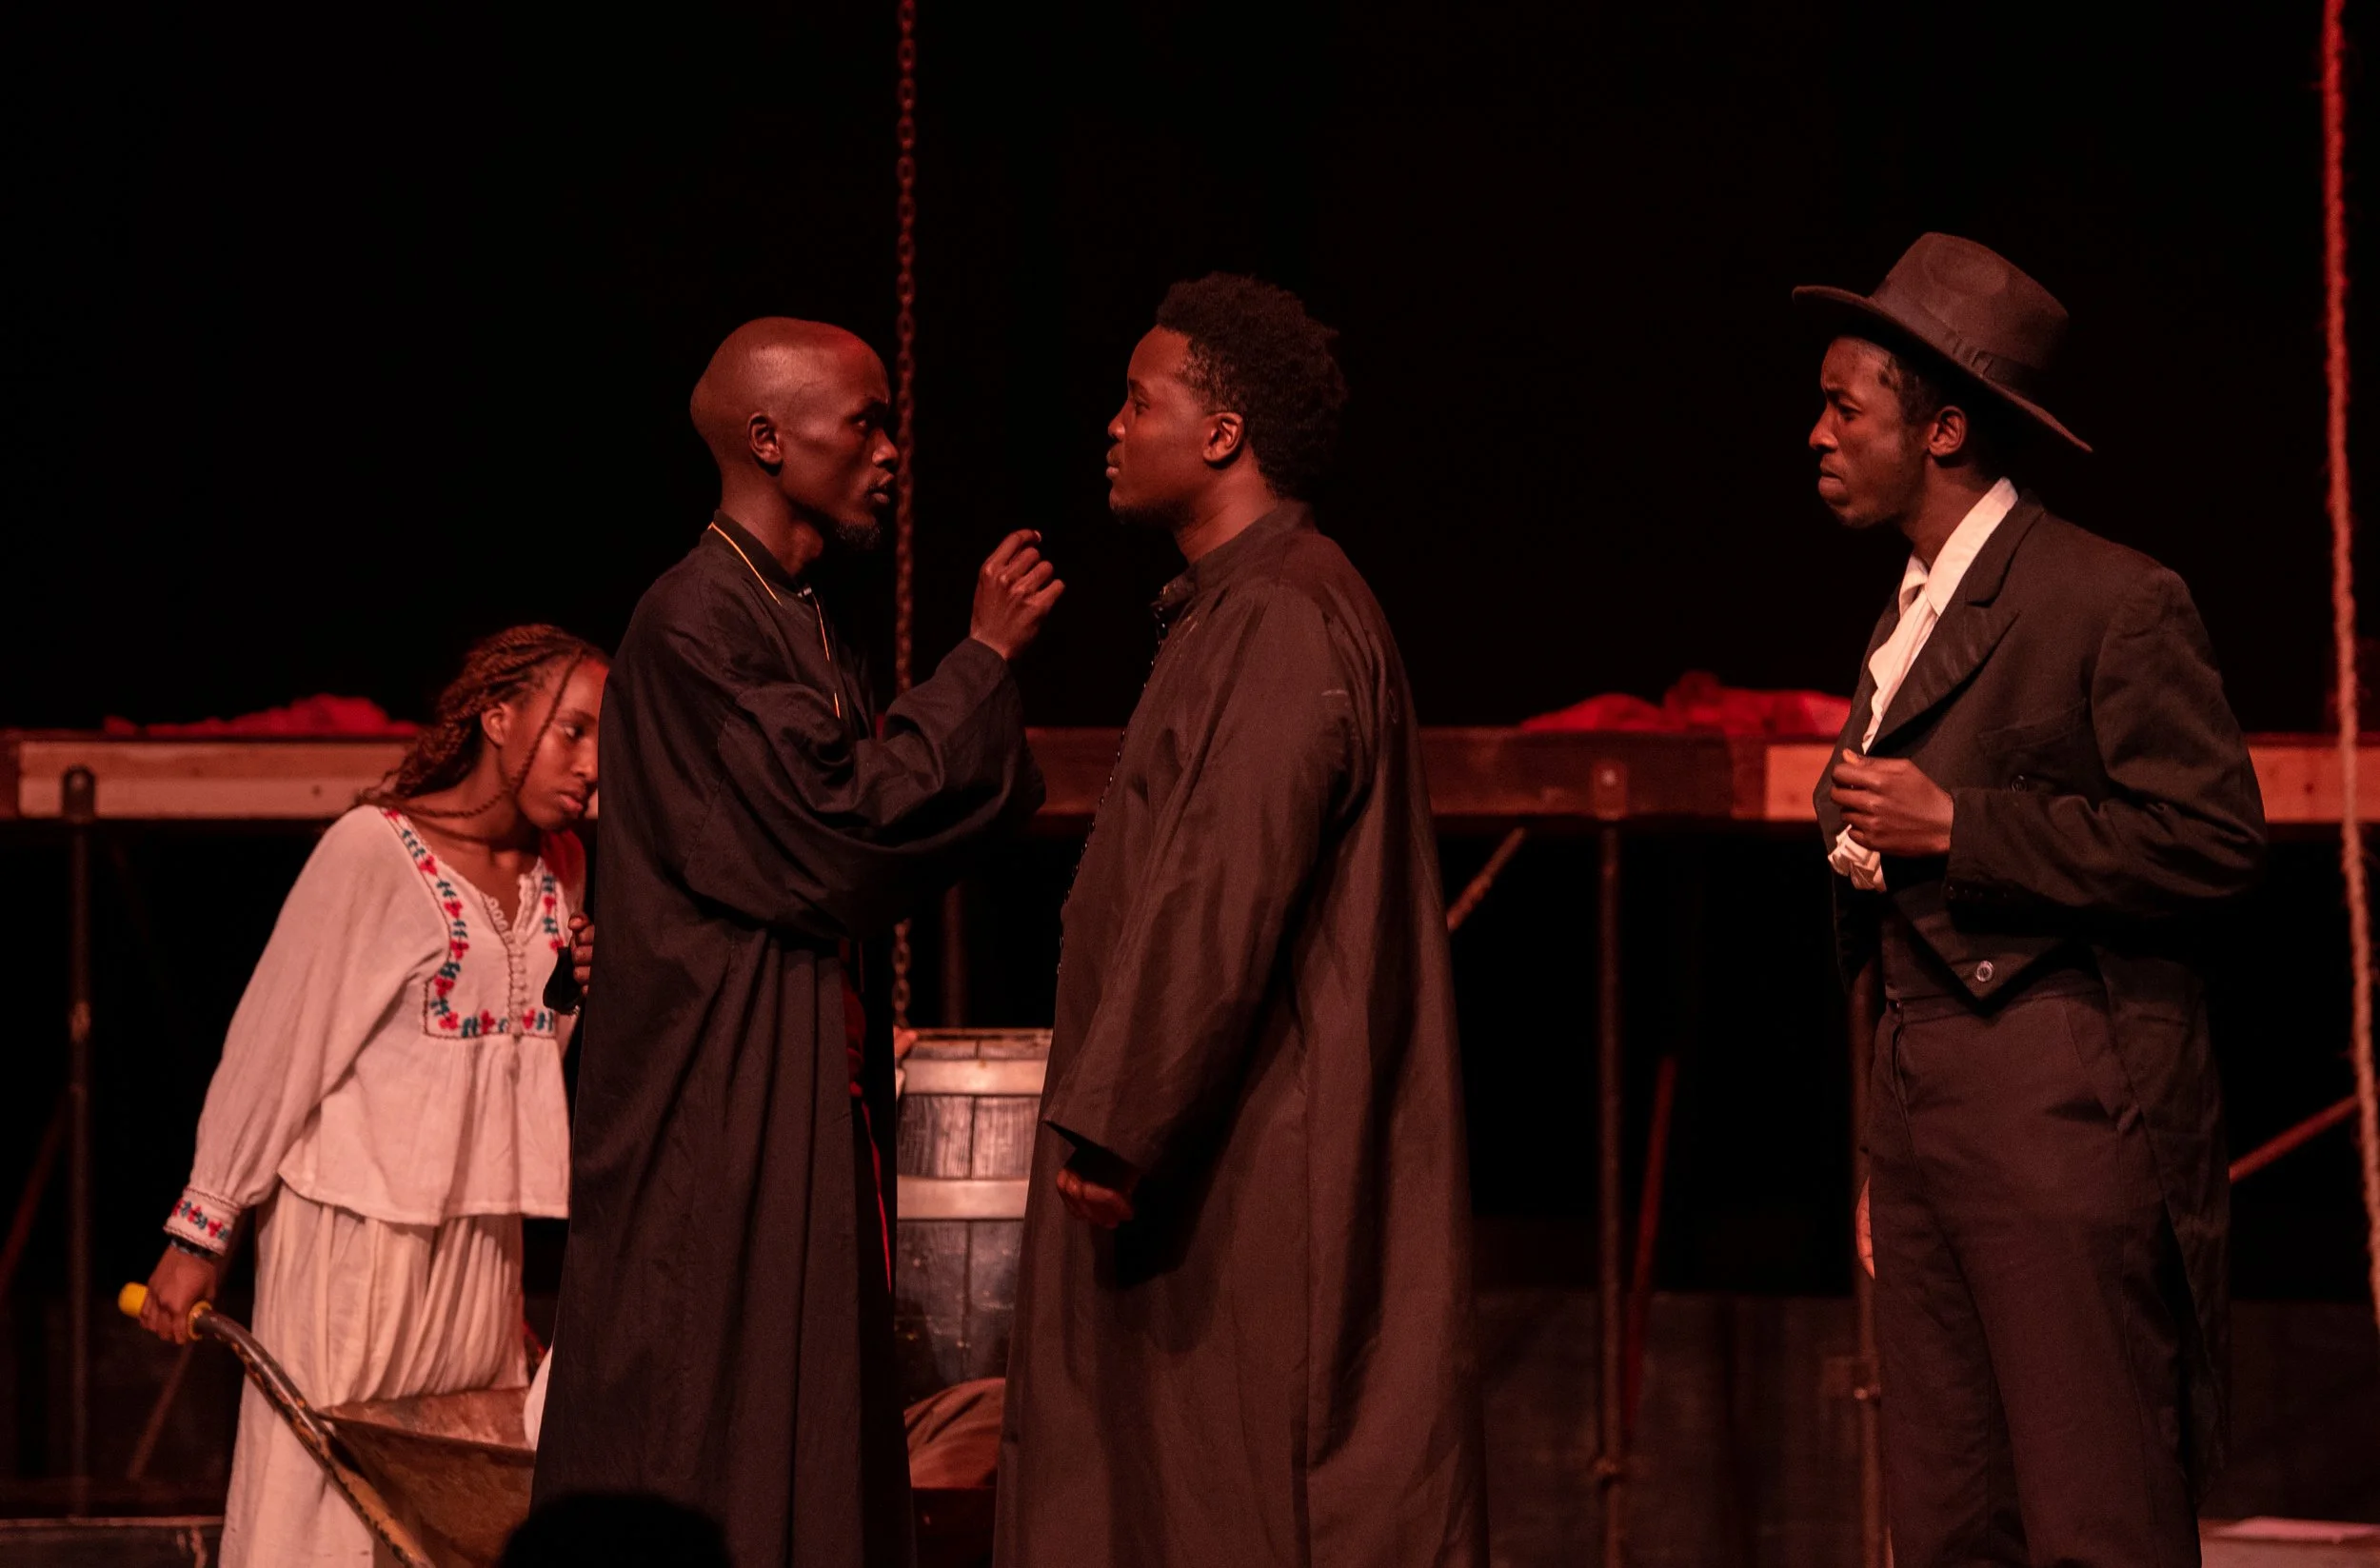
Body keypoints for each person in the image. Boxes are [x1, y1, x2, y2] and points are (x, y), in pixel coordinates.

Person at [532, 318, 1056, 1568]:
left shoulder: (800, 615)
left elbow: (871, 809)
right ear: (769, 438)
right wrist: (979, 662)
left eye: (889, 422)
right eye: (862, 421)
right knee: (707, 1388)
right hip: (709, 1086)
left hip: (788, 1070)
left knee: (805, 1399)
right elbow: (837, 827)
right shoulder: (695, 617)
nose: (887, 451)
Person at [995, 274, 1486, 1567]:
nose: (1111, 424)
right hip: (1218, 1153)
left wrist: (1121, 1116)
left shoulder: (1278, 611)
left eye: (1138, 399)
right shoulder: (1235, 608)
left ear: (1223, 432)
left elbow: (1223, 890)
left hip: (1246, 1169)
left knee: (1231, 1495)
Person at [1804, 234, 2266, 1563]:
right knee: (1951, 1516)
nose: (1818, 434)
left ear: (1943, 427)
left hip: (2058, 1080)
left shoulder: (2107, 598)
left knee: (2092, 1506)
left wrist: (1968, 826)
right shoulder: (1909, 610)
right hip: (1926, 1091)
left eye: (1847, 406)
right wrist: (1880, 1143)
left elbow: (2215, 837)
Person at [138, 625, 608, 1567]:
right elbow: (280, 1044)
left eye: (608, 744)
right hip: (356, 1232)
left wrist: (570, 987)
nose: (593, 766)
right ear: (499, 715)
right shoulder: (374, 849)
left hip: (478, 1238)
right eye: (575, 733)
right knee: (320, 1501)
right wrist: (203, 1229)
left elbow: (525, 1056)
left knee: (456, 1509)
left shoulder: (562, 868)